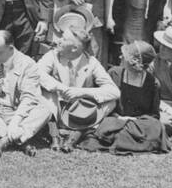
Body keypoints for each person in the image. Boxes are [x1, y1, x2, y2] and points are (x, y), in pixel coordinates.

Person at [36, 13, 120, 151]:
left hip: (81, 112)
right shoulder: (52, 55)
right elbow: (36, 73)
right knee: (42, 91)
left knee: (111, 102)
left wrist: (80, 92)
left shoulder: (92, 62)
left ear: (74, 48)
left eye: (63, 39)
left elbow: (114, 91)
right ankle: (54, 136)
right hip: (55, 109)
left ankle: (74, 137)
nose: (58, 41)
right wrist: (61, 88)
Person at [0, 29, 52, 157]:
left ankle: (6, 140)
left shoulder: (27, 64)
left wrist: (15, 121)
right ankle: (18, 138)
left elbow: (29, 98)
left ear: (11, 48)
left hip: (15, 111)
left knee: (45, 110)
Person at [79, 41, 169, 154]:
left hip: (138, 124)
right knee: (107, 125)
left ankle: (121, 140)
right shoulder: (113, 73)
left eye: (125, 56)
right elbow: (102, 103)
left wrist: (133, 120)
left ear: (133, 62)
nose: (121, 56)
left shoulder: (153, 83)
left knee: (155, 126)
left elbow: (154, 114)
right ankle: (132, 142)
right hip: (114, 120)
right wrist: (119, 118)